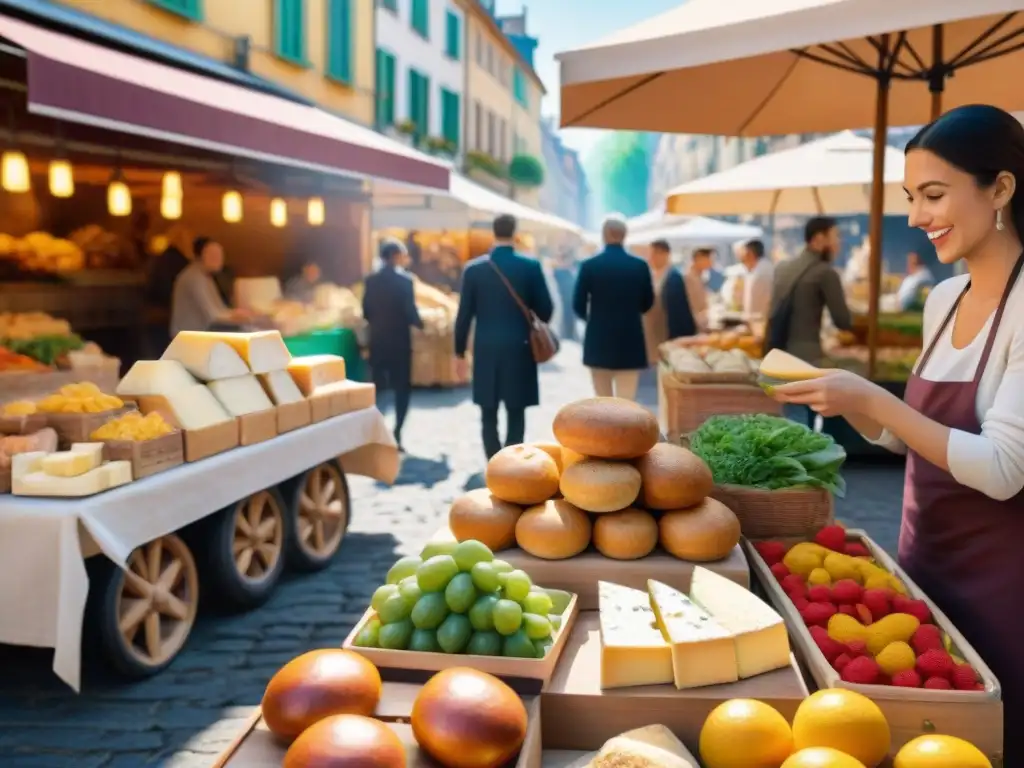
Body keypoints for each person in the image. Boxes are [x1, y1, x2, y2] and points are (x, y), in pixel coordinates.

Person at [771, 105, 1024, 760]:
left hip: (1004, 591)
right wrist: (846, 398)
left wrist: (875, 401)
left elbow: (1001, 468)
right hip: (917, 573)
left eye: (934, 195)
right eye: (912, 198)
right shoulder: (944, 300)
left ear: (1000, 188)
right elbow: (898, 440)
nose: (916, 216)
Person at [454, 214, 553, 459]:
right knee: (516, 409)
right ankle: (511, 463)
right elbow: (546, 310)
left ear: (493, 233)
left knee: (488, 410)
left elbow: (464, 315)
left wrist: (459, 353)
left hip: (485, 347)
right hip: (520, 347)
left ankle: (492, 461)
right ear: (515, 232)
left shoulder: (474, 270)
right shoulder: (530, 266)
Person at [768, 216, 853, 426]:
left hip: (779, 357)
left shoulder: (782, 267)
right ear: (818, 239)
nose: (838, 243)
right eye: (836, 237)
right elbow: (843, 320)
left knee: (792, 422)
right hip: (808, 358)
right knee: (808, 427)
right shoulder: (825, 273)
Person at [574, 214, 654, 400]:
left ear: (604, 235)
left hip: (598, 341)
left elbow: (578, 304)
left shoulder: (589, 265)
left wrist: (594, 320)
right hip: (631, 340)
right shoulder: (640, 266)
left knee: (603, 402)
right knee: (626, 402)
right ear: (624, 236)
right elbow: (648, 302)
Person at [362, 239, 423, 450]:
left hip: (378, 340)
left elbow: (366, 311)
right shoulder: (405, 281)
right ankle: (397, 430)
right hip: (400, 342)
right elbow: (411, 313)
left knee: (376, 388)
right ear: (396, 256)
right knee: (402, 389)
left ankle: (375, 433)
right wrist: (421, 324)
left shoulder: (370, 281)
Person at [169, 237, 252, 335]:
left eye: (221, 255)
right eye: (214, 255)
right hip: (189, 337)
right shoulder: (195, 278)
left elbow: (220, 309)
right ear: (202, 255)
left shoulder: (205, 276)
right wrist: (241, 317)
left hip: (199, 333)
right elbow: (213, 316)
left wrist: (239, 313)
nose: (220, 260)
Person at [642, 239, 696, 365]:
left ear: (665, 254)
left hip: (666, 335)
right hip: (652, 336)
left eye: (653, 254)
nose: (650, 258)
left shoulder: (674, 278)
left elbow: (680, 311)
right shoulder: (653, 276)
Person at [739, 239, 774, 320]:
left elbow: (754, 305)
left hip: (759, 320)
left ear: (749, 253)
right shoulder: (759, 269)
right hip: (758, 319)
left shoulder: (761, 272)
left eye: (743, 253)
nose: (741, 257)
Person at [684, 247, 712, 330]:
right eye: (709, 259)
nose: (711, 263)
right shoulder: (688, 277)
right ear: (699, 258)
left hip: (702, 321)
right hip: (693, 323)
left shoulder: (702, 276)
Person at [553, 249, 578, 341]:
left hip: (569, 301)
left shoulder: (570, 271)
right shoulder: (558, 272)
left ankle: (569, 336)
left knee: (569, 322)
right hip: (563, 300)